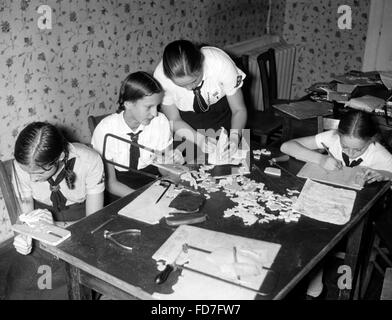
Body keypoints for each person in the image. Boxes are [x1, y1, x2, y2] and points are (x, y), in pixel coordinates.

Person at [281, 109, 392, 298]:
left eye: (357, 149)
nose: (349, 152)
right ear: (337, 135)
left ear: (372, 139)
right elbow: (286, 146)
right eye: (345, 146)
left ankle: (330, 285)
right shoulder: (331, 138)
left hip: (357, 213)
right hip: (324, 201)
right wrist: (320, 158)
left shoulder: (379, 154)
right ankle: (314, 284)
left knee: (322, 236)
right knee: (306, 230)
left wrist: (386, 174)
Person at [6, 121, 105, 299]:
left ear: (59, 157)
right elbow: (27, 212)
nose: (32, 179)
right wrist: (25, 233)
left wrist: (55, 225)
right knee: (25, 280)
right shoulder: (24, 166)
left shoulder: (90, 160)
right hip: (42, 216)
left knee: (71, 277)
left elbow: (94, 223)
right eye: (27, 172)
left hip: (80, 222)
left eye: (39, 173)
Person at [91, 71, 184, 199]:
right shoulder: (105, 130)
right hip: (120, 192)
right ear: (128, 103)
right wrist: (143, 198)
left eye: (157, 106)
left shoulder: (160, 122)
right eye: (148, 107)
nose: (155, 113)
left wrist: (172, 165)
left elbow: (164, 172)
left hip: (153, 185)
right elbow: (110, 183)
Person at [153, 39, 248, 160]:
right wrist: (200, 140)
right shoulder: (161, 78)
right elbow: (174, 119)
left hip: (223, 115)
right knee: (190, 168)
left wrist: (235, 137)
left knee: (231, 166)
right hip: (186, 124)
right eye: (181, 85)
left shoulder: (219, 63)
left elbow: (239, 109)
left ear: (201, 65)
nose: (189, 88)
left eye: (194, 81)